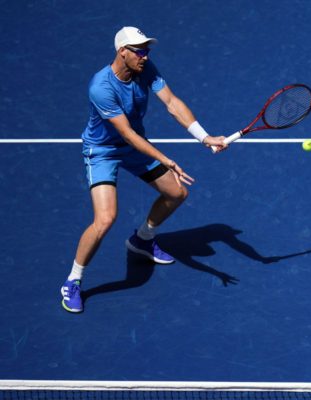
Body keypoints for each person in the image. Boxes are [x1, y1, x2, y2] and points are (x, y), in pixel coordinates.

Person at [60, 27, 228, 313]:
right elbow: (126, 134)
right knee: (105, 219)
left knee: (176, 193)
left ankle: (142, 239)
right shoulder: (101, 87)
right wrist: (166, 160)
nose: (145, 55)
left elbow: (172, 103)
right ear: (121, 52)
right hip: (103, 152)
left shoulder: (145, 68)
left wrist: (204, 136)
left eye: (147, 49)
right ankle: (72, 281)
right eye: (139, 50)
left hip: (134, 147)